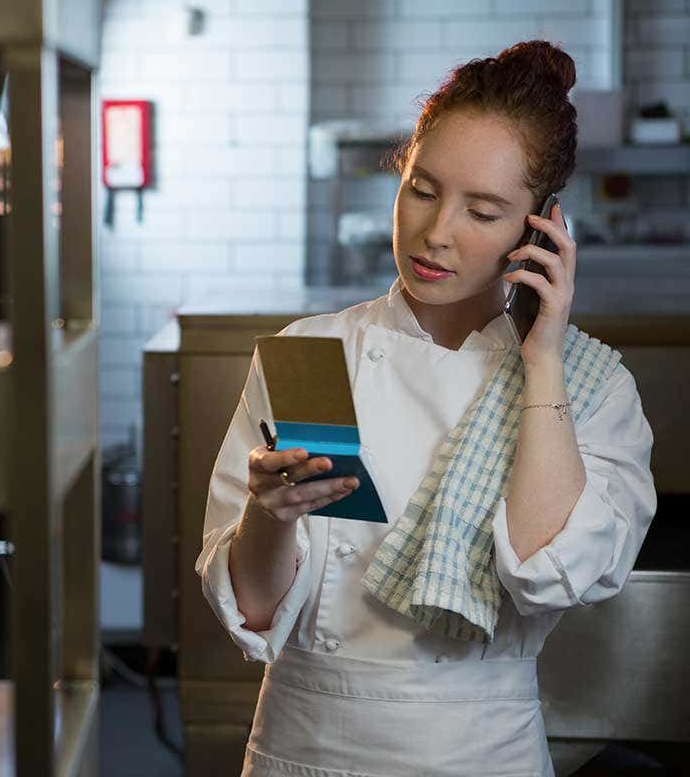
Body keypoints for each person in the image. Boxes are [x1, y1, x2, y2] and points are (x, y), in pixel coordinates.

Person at [197, 40, 657, 777]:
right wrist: (269, 515)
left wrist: (540, 358)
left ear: (539, 228)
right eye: (420, 188)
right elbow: (252, 614)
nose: (436, 232)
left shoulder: (590, 388)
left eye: (483, 210)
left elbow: (549, 570)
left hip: (481, 755)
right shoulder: (314, 356)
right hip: (301, 747)